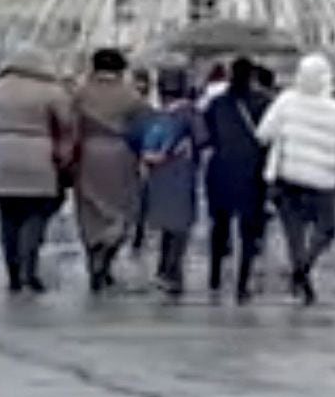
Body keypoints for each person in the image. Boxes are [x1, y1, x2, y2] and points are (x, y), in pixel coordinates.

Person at [252, 52, 335, 301]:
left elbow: (263, 134)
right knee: (326, 229)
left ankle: (299, 267)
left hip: (288, 177)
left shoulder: (286, 101)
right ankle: (305, 268)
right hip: (322, 181)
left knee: (294, 233)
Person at [0, 48, 76, 295]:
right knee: (35, 212)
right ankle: (28, 270)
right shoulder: (51, 91)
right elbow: (67, 123)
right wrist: (64, 154)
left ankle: (12, 272)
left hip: (0, 151)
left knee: (7, 216)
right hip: (37, 151)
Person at [70, 49, 152, 292]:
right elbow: (145, 125)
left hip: (87, 153)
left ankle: (92, 253)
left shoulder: (80, 92)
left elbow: (69, 121)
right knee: (120, 209)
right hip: (120, 154)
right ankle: (106, 256)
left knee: (88, 209)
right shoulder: (130, 95)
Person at [201, 60, 272, 300]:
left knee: (219, 225)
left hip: (221, 168)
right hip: (252, 170)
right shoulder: (264, 103)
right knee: (249, 229)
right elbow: (269, 137)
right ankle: (242, 282)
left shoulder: (217, 103)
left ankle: (215, 276)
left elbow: (207, 136)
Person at [138, 68, 204, 296]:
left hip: (158, 172)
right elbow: (203, 138)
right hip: (181, 172)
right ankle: (172, 272)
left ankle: (162, 268)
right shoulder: (190, 113)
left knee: (167, 226)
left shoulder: (158, 114)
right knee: (181, 226)